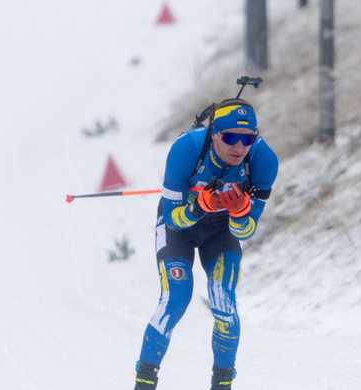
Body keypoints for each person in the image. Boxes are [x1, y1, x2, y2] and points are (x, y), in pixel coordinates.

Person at [134, 98, 279, 390]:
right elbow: (173, 220)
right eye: (230, 138)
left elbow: (246, 230)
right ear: (214, 134)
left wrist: (239, 212)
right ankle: (144, 383)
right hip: (179, 229)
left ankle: (222, 385)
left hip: (221, 232)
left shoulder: (264, 161)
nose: (239, 147)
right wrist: (199, 206)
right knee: (176, 297)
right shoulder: (186, 149)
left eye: (247, 138)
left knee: (223, 301)